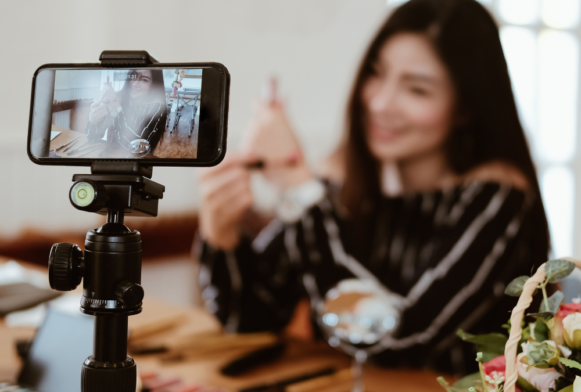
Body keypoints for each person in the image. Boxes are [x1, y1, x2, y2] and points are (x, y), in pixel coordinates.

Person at [195, 0, 550, 375]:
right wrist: (221, 232)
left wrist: (300, 190)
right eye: (375, 74)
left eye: (417, 89)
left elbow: (399, 340)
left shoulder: (499, 202)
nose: (380, 102)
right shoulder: (346, 178)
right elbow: (249, 316)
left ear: (466, 107)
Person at [85, 69, 167, 158]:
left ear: (154, 83)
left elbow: (136, 148)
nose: (135, 83)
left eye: (144, 79)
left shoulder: (157, 106)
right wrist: (93, 121)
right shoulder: (119, 97)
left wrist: (116, 106)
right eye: (133, 76)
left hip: (138, 165)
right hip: (110, 158)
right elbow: (93, 137)